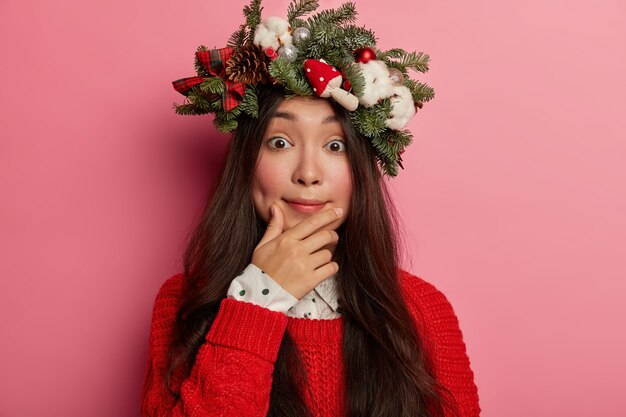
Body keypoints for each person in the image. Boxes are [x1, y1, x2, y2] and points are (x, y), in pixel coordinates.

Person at [141, 1, 480, 416]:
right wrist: (258, 301)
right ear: (247, 164)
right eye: (280, 142)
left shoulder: (422, 309)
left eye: (334, 146)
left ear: (361, 172)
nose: (307, 173)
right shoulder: (181, 304)